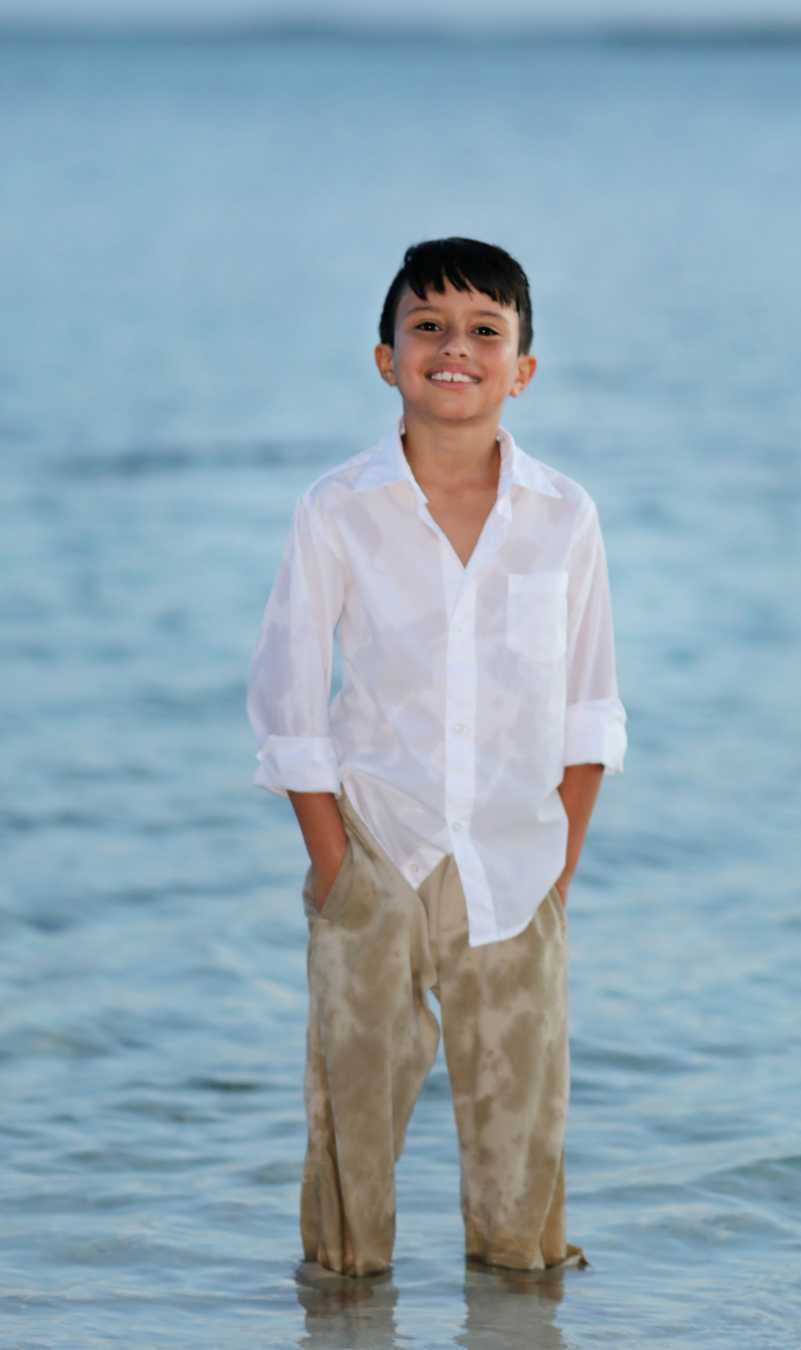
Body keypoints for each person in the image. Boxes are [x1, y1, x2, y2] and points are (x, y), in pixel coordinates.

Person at [246, 236, 627, 1278]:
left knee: (523, 1196)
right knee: (348, 1179)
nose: (454, 349)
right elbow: (287, 700)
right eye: (428, 327)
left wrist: (561, 864)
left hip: (516, 867)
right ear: (387, 357)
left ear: (523, 370)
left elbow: (590, 707)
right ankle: (341, 1324)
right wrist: (337, 872)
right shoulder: (338, 509)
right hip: (375, 847)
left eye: (484, 332)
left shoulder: (565, 517)